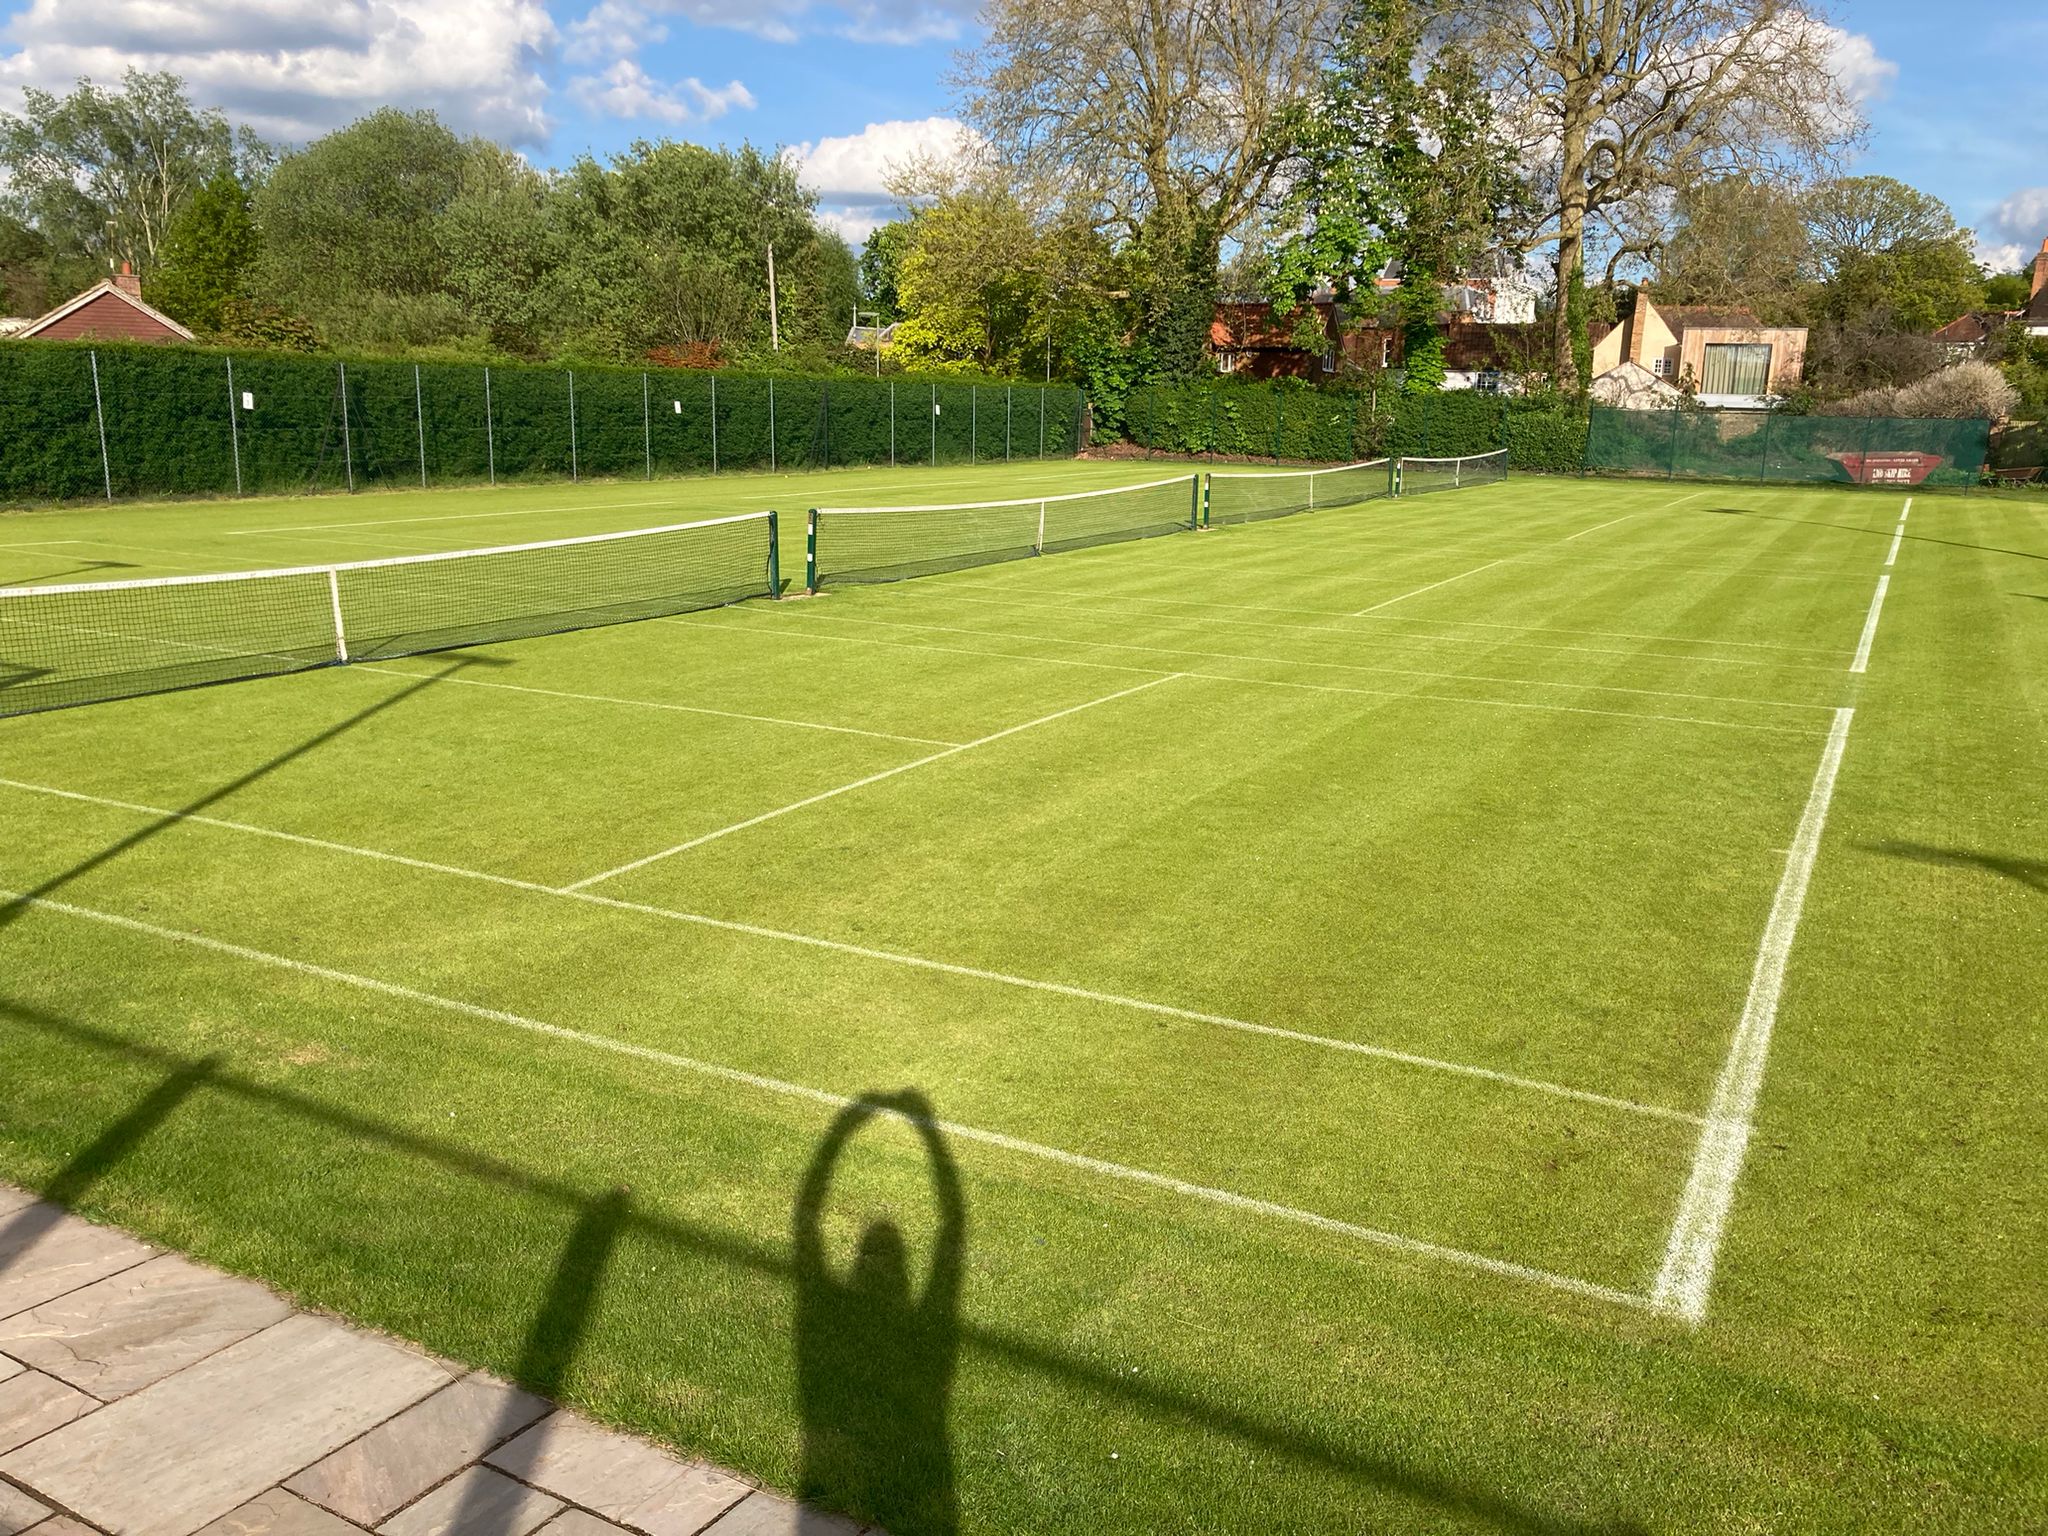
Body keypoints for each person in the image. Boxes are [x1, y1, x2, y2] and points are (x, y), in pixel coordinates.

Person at [793, 1090, 964, 1536]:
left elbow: (805, 1226)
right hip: (929, 1491)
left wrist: (841, 1130)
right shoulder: (925, 1332)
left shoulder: (824, 1316)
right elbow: (953, 1226)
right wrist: (930, 1137)